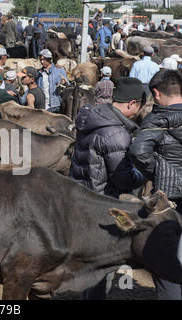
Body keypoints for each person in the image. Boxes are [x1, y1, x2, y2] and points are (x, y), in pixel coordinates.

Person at [69, 77, 147, 299]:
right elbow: (123, 179)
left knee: (85, 262)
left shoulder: (91, 117)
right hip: (100, 203)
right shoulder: (116, 133)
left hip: (79, 196)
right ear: (132, 103)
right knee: (100, 265)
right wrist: (143, 172)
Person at [129, 69, 182, 300]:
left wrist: (159, 169)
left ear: (156, 94)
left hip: (169, 200)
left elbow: (139, 153)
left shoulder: (157, 118)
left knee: (167, 260)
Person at [37, 49, 69, 113]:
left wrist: (64, 82)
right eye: (41, 60)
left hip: (56, 105)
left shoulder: (59, 70)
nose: (42, 62)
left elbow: (68, 85)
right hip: (43, 105)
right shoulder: (40, 73)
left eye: (44, 60)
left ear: (50, 59)